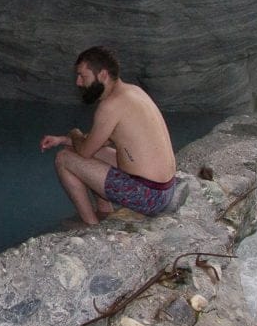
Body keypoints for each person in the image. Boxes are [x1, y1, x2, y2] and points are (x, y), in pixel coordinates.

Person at [39, 46, 177, 225]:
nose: (78, 83)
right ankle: (104, 211)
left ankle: (91, 226)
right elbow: (102, 140)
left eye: (83, 76)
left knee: (64, 158)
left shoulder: (110, 105)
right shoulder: (133, 91)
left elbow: (85, 152)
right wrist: (64, 139)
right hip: (165, 189)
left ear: (102, 75)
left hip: (148, 197)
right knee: (74, 147)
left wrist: (73, 133)